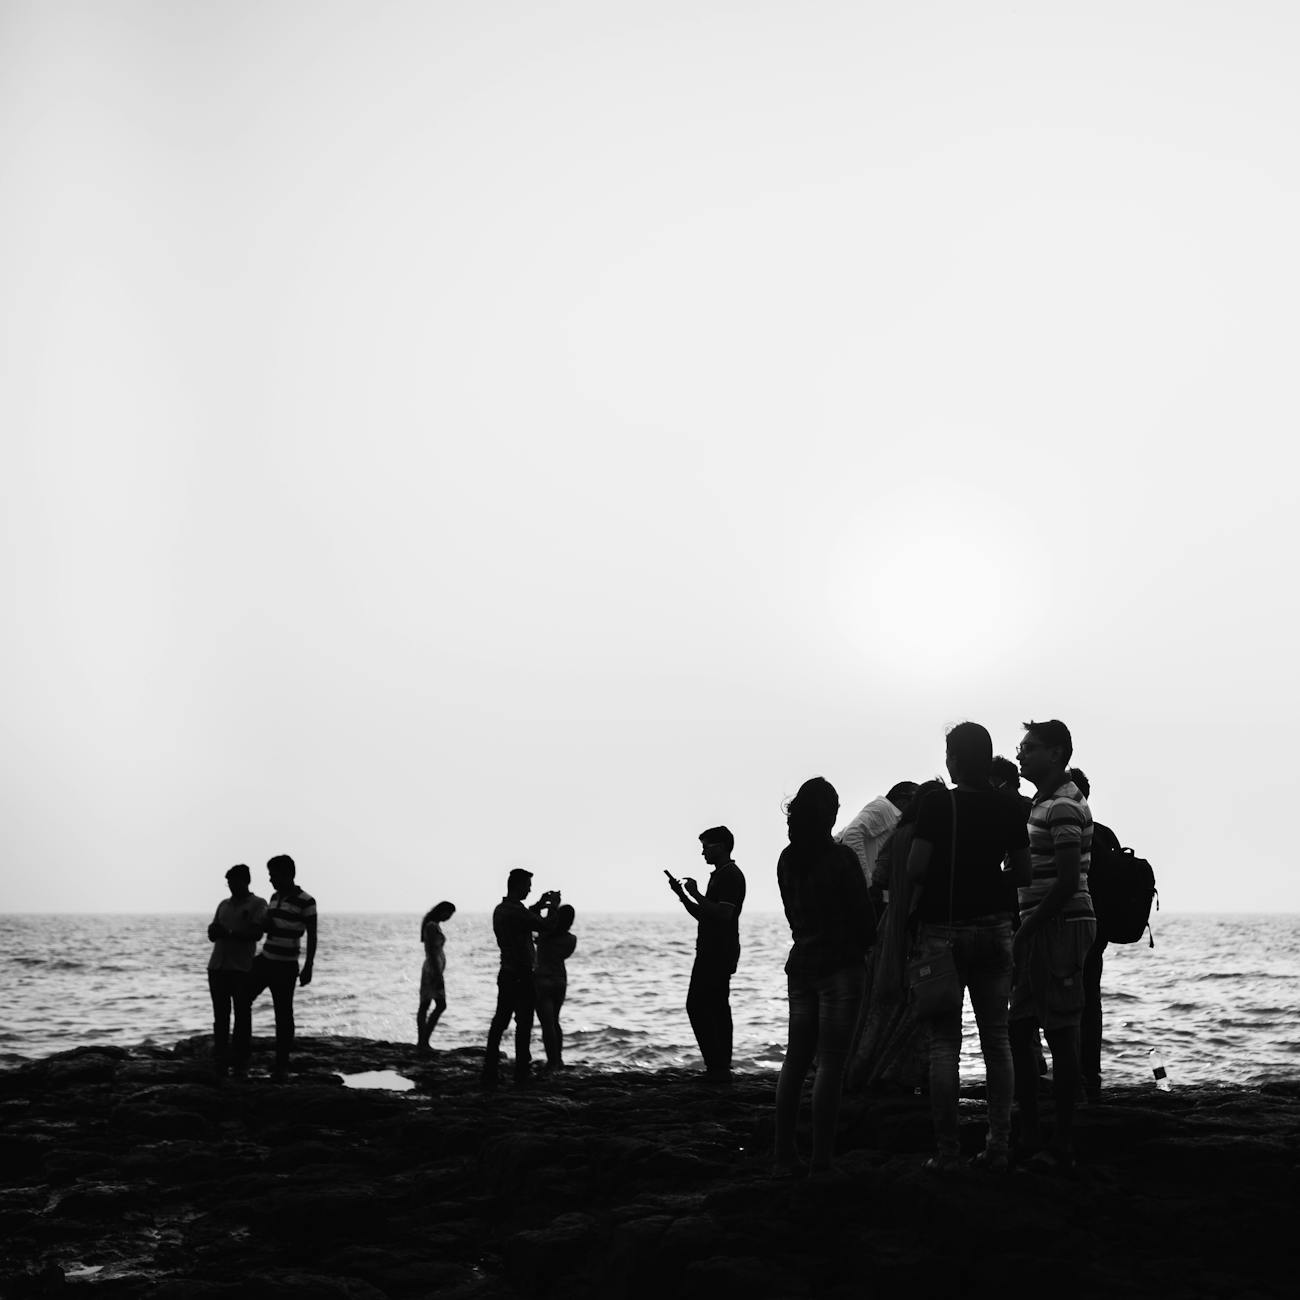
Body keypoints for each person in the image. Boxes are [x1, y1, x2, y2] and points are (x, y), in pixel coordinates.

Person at [890, 724, 1031, 1172]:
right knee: (997, 1040)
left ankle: (948, 1152)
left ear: (954, 759)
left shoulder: (938, 804)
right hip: (995, 928)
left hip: (942, 933)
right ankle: (999, 1146)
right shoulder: (1009, 806)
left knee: (944, 1045)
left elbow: (915, 869)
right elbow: (1024, 872)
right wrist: (989, 878)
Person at [773, 777, 875, 1176]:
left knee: (796, 1060)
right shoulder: (841, 859)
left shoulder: (786, 859)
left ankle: (783, 1154)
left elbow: (791, 913)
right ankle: (821, 1159)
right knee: (831, 1064)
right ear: (829, 814)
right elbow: (864, 921)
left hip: (801, 963)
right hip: (841, 967)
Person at [1010, 720, 1097, 1170]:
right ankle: (1030, 1132)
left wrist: (1027, 930)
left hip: (1059, 924)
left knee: (1060, 1032)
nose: (1020, 754)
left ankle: (1061, 1141)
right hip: (1040, 923)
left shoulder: (1062, 805)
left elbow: (1066, 882)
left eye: (1029, 747)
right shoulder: (1041, 803)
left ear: (1056, 753)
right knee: (1019, 1027)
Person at [848, 779, 945, 1094]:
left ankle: (871, 1067)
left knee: (885, 995)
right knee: (923, 996)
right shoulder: (936, 837)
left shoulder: (898, 836)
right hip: (926, 923)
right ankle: (910, 1072)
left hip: (892, 923)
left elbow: (879, 877)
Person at [666, 826, 746, 1083]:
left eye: (706, 847)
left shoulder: (730, 876)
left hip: (718, 952)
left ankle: (717, 1066)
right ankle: (719, 1066)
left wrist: (695, 894)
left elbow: (724, 914)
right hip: (713, 949)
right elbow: (706, 915)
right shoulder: (721, 875)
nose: (702, 853)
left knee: (699, 1005)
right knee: (717, 1006)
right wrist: (682, 895)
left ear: (721, 846)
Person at [234, 854, 317, 1082]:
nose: (270, 879)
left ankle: (282, 1065)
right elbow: (269, 926)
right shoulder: (274, 897)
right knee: (241, 998)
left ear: (286, 875)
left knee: (283, 1013)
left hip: (286, 965)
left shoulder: (306, 901)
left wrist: (308, 965)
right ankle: (242, 1057)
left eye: (273, 875)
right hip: (266, 959)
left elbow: (312, 935)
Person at [1068, 767, 1122, 1102]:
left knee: (1063, 1002)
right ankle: (1090, 1073)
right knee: (1090, 1001)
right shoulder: (1105, 834)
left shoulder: (1065, 829)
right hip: (1097, 929)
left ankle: (1069, 1076)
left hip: (1067, 926)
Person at [482, 869, 552, 1088]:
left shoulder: (502, 909)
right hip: (521, 974)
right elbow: (545, 926)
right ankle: (521, 1071)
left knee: (500, 1021)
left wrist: (539, 905)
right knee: (523, 1023)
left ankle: (490, 1068)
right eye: (527, 886)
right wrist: (554, 907)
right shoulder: (516, 912)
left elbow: (526, 919)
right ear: (518, 885)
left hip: (507, 972)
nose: (529, 890)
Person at [206, 864, 267, 1076]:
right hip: (217, 966)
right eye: (229, 883)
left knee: (242, 1014)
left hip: (241, 968)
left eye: (234, 882)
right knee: (220, 1015)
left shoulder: (258, 904)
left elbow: (256, 933)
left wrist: (229, 933)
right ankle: (221, 1055)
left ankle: (241, 1057)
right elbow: (214, 932)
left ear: (246, 881)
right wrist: (214, 931)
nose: (231, 886)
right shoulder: (223, 905)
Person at [838, 781, 919, 886]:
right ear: (902, 801)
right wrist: (867, 882)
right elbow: (852, 833)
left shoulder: (894, 816)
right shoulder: (884, 807)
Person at [534, 903, 577, 1071]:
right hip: (560, 980)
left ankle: (552, 1062)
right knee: (555, 1021)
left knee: (547, 1024)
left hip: (542, 979)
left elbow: (535, 920)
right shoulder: (571, 940)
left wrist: (550, 907)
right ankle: (558, 1059)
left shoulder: (545, 935)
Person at [417, 901, 456, 1053]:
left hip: (433, 968)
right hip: (433, 970)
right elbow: (432, 952)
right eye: (449, 913)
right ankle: (423, 1041)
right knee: (438, 1005)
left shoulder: (433, 925)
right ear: (442, 911)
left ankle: (422, 1041)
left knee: (426, 1005)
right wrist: (438, 974)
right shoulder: (432, 926)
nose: (449, 917)